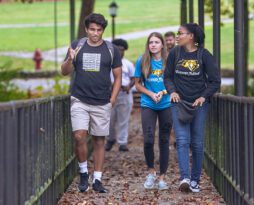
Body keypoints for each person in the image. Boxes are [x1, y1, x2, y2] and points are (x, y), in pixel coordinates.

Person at [61, 13, 122, 193]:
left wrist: (112, 99)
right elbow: (64, 72)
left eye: (99, 30)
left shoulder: (111, 50)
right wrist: (70, 59)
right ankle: (83, 173)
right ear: (86, 29)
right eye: (92, 29)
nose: (95, 33)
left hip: (102, 101)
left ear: (103, 30)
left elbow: (118, 77)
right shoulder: (77, 46)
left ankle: (97, 179)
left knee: (98, 140)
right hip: (79, 99)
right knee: (79, 135)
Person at [164, 23, 221, 193]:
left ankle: (195, 180)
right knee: (182, 140)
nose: (177, 36)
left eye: (180, 33)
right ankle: (185, 178)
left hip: (199, 104)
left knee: (196, 143)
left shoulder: (204, 55)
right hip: (179, 103)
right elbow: (167, 77)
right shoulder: (175, 53)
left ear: (191, 36)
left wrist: (203, 97)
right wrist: (172, 91)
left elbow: (215, 81)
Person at [134, 32, 172, 190]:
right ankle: (151, 172)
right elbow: (137, 84)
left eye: (157, 42)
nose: (154, 45)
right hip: (148, 103)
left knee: (164, 140)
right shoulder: (142, 61)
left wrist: (162, 93)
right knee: (148, 139)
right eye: (151, 42)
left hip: (166, 104)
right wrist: (150, 94)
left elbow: (175, 82)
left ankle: (162, 177)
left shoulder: (169, 61)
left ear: (162, 44)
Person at [105, 39, 135, 152]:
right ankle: (110, 139)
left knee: (123, 119)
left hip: (124, 94)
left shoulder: (128, 64)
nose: (119, 52)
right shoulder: (108, 63)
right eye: (117, 49)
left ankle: (122, 142)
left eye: (122, 50)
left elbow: (134, 78)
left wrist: (129, 86)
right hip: (110, 94)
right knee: (110, 119)